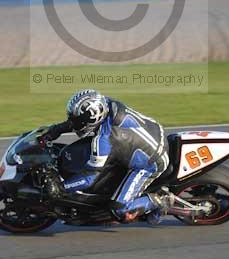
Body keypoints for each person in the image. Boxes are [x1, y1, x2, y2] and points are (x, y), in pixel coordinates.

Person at [41, 89, 174, 223]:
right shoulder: (105, 103)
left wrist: (62, 188)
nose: (73, 123)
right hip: (153, 131)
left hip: (153, 161)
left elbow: (90, 177)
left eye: (76, 121)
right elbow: (83, 119)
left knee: (120, 209)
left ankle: (160, 201)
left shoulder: (104, 140)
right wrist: (56, 130)